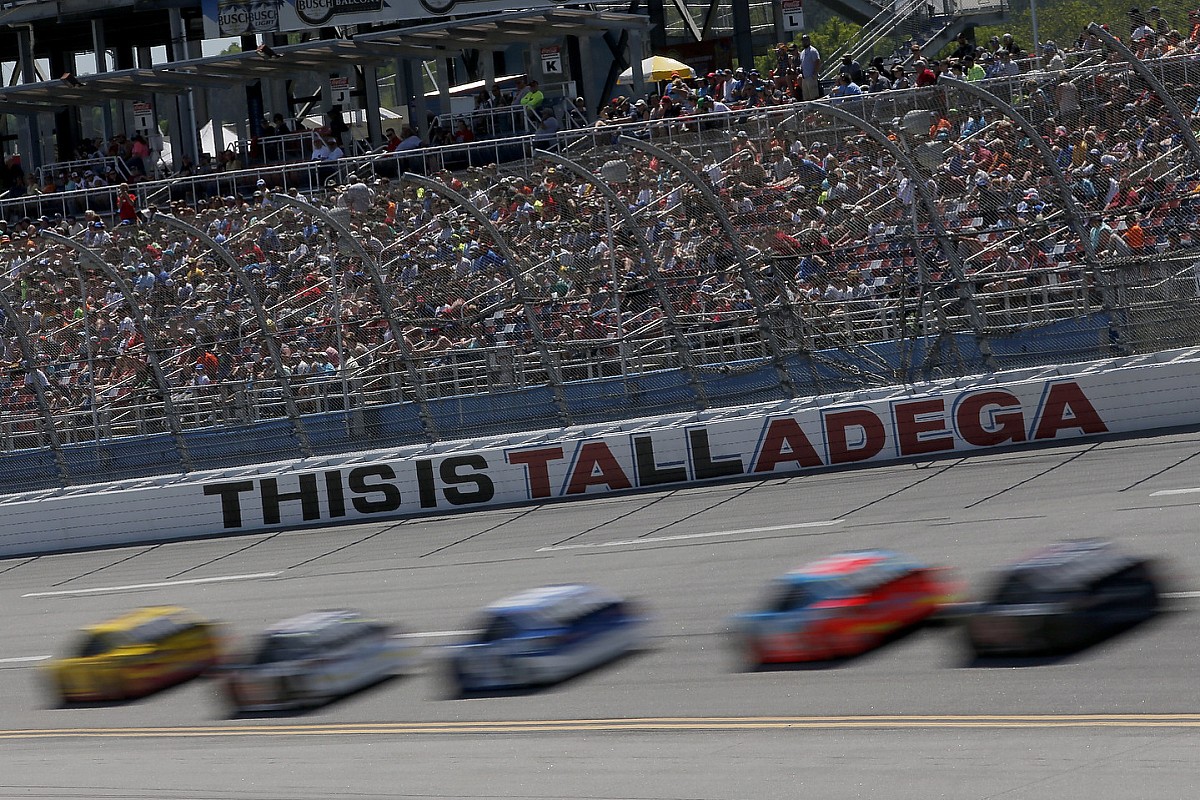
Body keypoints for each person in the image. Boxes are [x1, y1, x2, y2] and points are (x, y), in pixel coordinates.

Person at [797, 34, 822, 101]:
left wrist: (815, 73)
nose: (804, 42)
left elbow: (817, 61)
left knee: (814, 97)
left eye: (806, 40)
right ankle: (809, 111)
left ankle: (816, 111)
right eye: (803, 40)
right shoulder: (802, 53)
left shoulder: (813, 51)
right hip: (804, 78)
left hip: (811, 77)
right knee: (806, 98)